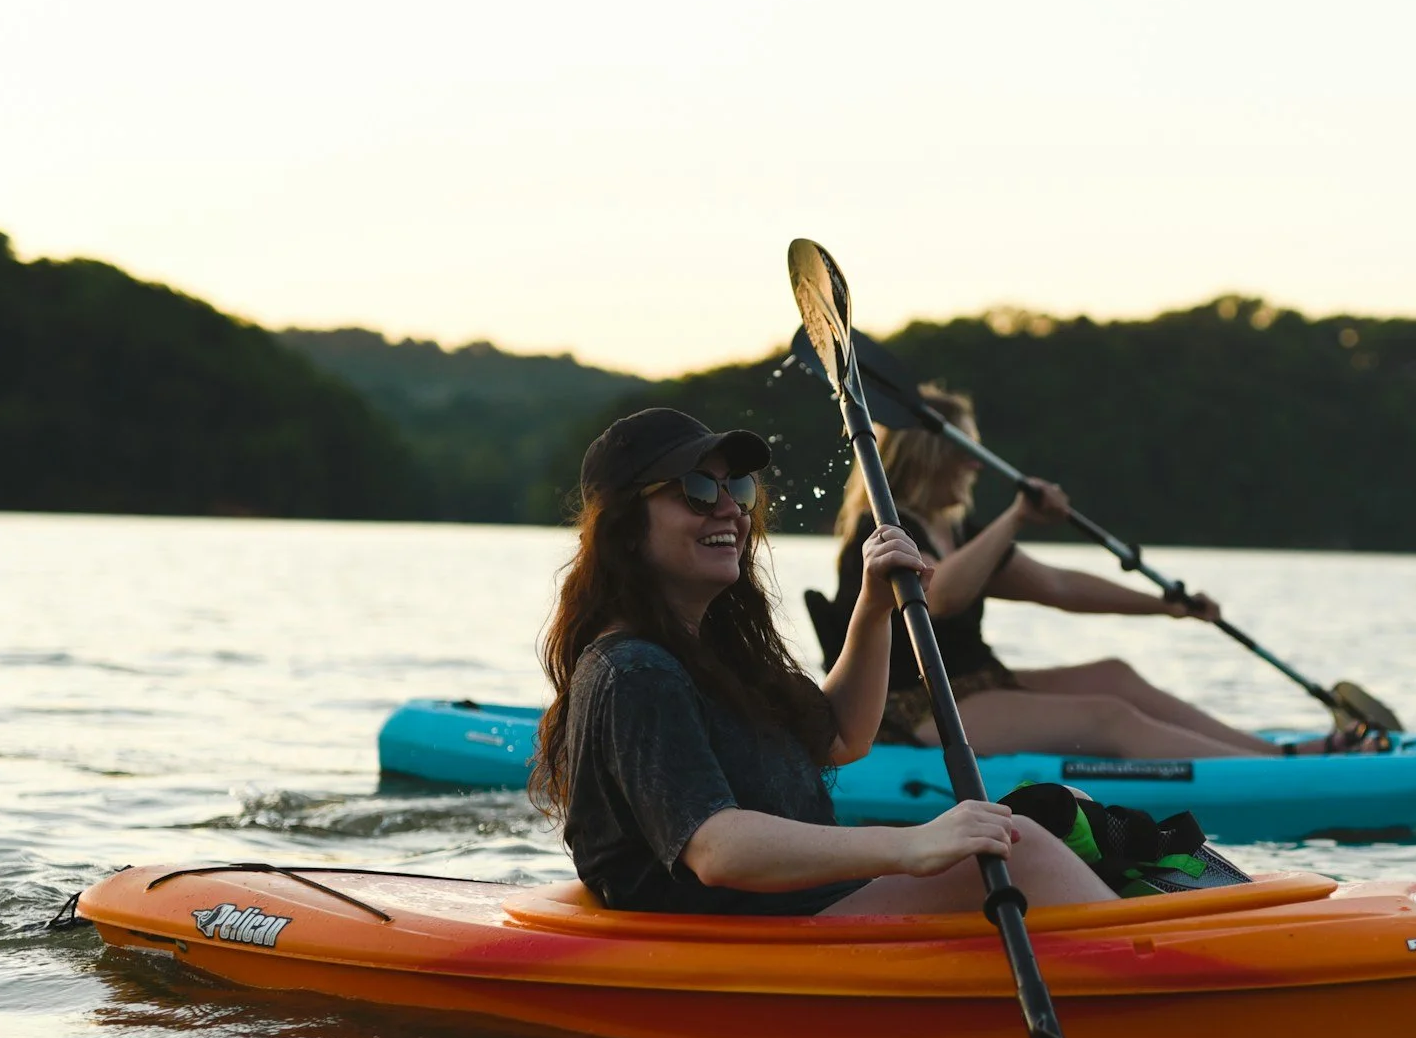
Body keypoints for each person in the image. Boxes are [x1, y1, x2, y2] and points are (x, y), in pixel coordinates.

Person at [530, 408, 1114, 918]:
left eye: (737, 488)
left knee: (1063, 810)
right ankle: (1172, 974)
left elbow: (842, 736)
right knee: (1024, 847)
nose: (729, 510)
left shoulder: (713, 651)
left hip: (800, 905)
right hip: (736, 931)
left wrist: (872, 610)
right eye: (697, 492)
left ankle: (1175, 927)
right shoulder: (634, 671)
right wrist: (911, 846)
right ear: (626, 529)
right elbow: (716, 848)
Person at [829, 385, 1360, 758]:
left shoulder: (960, 531)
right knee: (1109, 715)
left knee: (1114, 675)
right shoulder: (881, 535)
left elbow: (1060, 586)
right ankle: (1272, 773)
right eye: (966, 451)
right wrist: (1017, 516)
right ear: (929, 456)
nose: (977, 464)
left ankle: (1284, 755)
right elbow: (938, 595)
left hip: (975, 682)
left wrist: (1167, 606)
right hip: (913, 707)